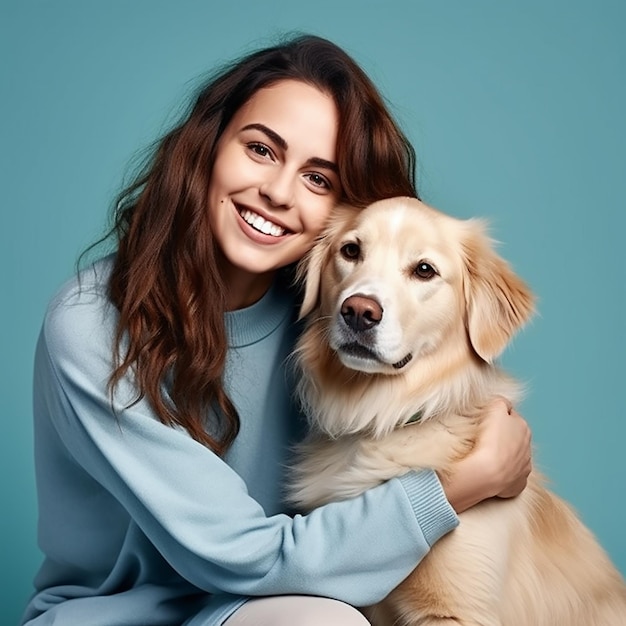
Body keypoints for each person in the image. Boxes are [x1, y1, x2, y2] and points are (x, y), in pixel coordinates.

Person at [21, 34, 532, 626]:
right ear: (208, 146)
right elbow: (242, 558)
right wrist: (457, 486)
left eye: (319, 179)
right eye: (262, 149)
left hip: (266, 605)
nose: (278, 192)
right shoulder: (90, 326)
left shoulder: (329, 312)